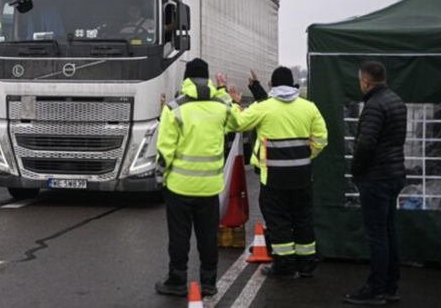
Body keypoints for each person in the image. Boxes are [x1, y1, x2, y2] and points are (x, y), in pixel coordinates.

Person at [228, 67, 328, 279]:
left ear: (272, 85)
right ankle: (307, 263)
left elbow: (237, 123)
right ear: (293, 84)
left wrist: (236, 104)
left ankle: (285, 266)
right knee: (303, 218)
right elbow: (321, 139)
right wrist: (305, 156)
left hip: (273, 178)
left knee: (279, 221)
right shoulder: (309, 107)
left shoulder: (264, 108)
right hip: (302, 175)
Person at [154, 58, 237, 298]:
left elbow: (165, 151)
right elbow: (236, 123)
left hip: (179, 187)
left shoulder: (174, 108)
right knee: (208, 236)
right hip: (210, 187)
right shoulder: (221, 107)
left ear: (187, 79)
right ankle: (209, 282)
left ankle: (177, 280)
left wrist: (160, 179)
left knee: (179, 236)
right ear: (207, 78)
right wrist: (225, 95)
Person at [344, 61, 407, 305]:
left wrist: (356, 170)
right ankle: (391, 285)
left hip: (376, 178)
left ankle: (375, 289)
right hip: (394, 175)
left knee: (377, 235)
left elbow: (366, 143)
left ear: (366, 81)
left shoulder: (373, 106)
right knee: (389, 231)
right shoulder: (396, 101)